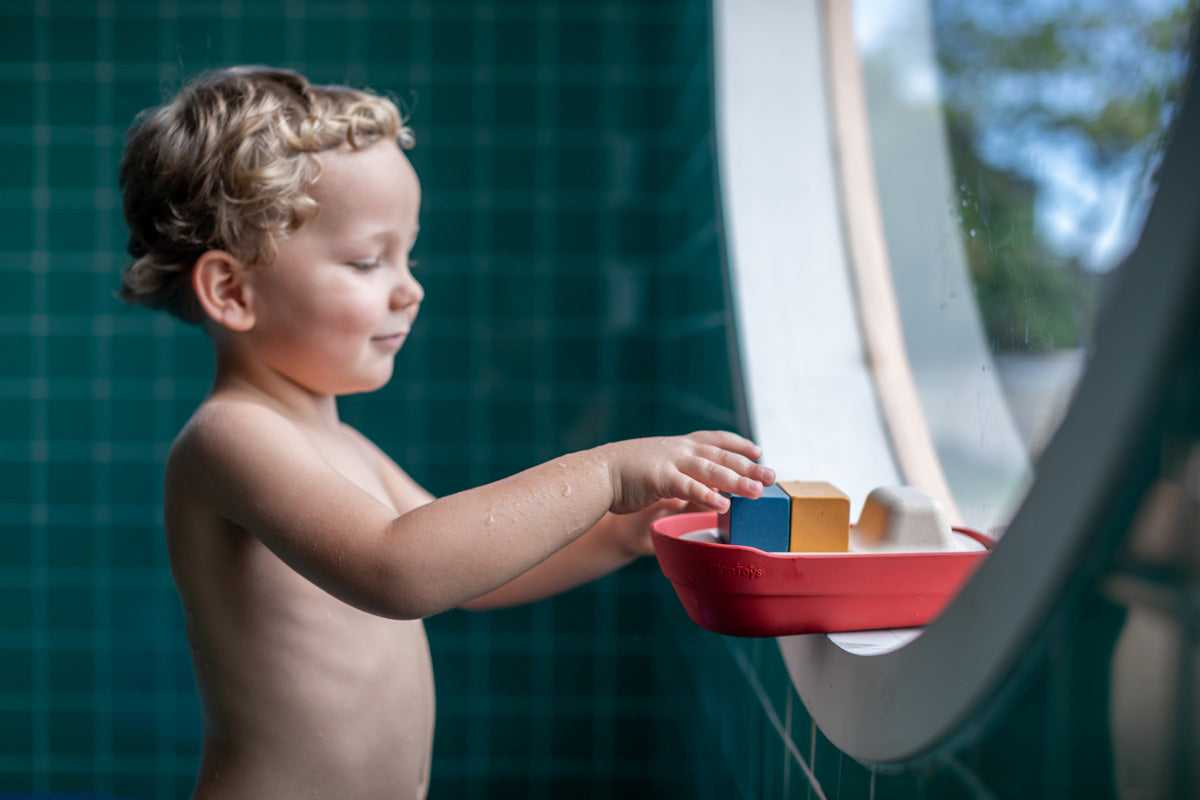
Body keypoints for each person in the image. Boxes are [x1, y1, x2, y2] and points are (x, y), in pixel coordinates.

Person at [118, 65, 774, 800]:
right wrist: (603, 474)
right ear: (233, 291)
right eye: (368, 261)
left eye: (410, 254)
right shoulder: (230, 437)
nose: (411, 287)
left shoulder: (338, 444)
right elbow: (399, 570)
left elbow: (475, 572)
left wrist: (620, 528)